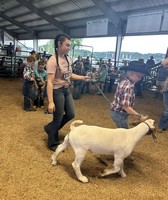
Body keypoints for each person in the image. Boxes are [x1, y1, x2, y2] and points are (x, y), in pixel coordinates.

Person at [44, 33, 90, 151]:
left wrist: (82, 77)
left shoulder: (68, 59)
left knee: (71, 114)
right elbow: (49, 82)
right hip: (56, 90)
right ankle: (52, 143)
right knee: (58, 117)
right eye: (67, 45)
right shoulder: (52, 60)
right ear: (59, 44)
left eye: (70, 45)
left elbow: (69, 75)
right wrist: (50, 102)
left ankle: (50, 128)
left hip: (66, 89)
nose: (69, 48)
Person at [110, 61, 149, 129]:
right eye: (139, 76)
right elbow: (126, 107)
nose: (140, 79)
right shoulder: (128, 87)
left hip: (117, 112)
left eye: (141, 77)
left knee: (122, 131)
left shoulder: (125, 82)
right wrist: (139, 116)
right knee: (125, 133)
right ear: (131, 73)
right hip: (119, 114)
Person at [158, 58, 168, 132]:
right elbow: (163, 63)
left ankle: (164, 125)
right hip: (167, 89)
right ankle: (162, 125)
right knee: (166, 110)